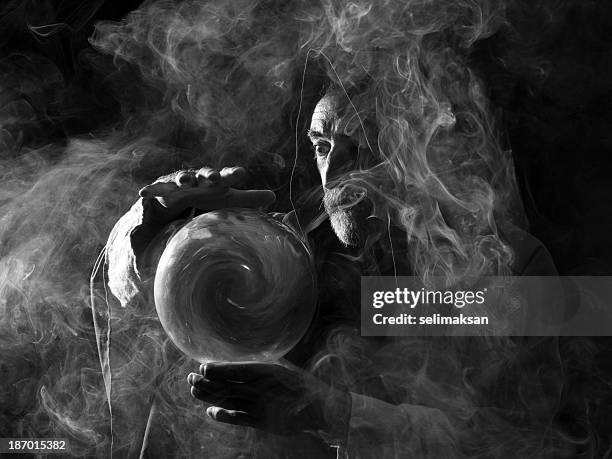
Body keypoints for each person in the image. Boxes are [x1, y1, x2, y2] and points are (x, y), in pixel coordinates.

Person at [105, 88, 558, 458]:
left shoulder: (511, 265)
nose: (335, 170)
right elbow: (128, 292)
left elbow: (514, 437)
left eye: (366, 144)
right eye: (323, 146)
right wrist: (150, 229)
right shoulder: (289, 252)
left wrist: (333, 413)